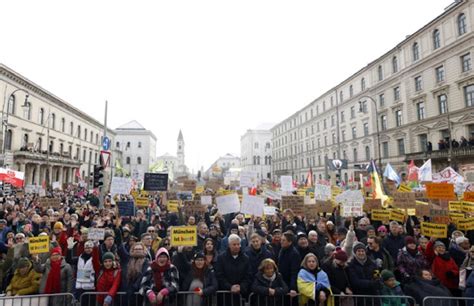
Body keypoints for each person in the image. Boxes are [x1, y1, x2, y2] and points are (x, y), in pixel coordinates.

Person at [215, 234, 251, 304]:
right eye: (234, 244)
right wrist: (230, 287)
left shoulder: (245, 258)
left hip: (241, 295)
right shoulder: (221, 258)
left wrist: (241, 287)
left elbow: (248, 275)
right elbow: (219, 275)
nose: (236, 247)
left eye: (238, 244)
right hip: (225, 295)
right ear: (229, 245)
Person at [120, 242, 149, 306]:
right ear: (132, 250)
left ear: (143, 250)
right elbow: (121, 249)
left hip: (139, 292)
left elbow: (143, 274)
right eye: (136, 249)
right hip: (127, 291)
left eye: (140, 249)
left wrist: (134, 287)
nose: (138, 250)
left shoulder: (146, 261)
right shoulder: (128, 260)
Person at [277, 231, 301, 301]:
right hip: (282, 282)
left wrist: (293, 288)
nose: (281, 242)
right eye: (281, 240)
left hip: (289, 284)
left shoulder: (294, 254)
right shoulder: (282, 250)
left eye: (283, 240)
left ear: (290, 242)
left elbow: (294, 272)